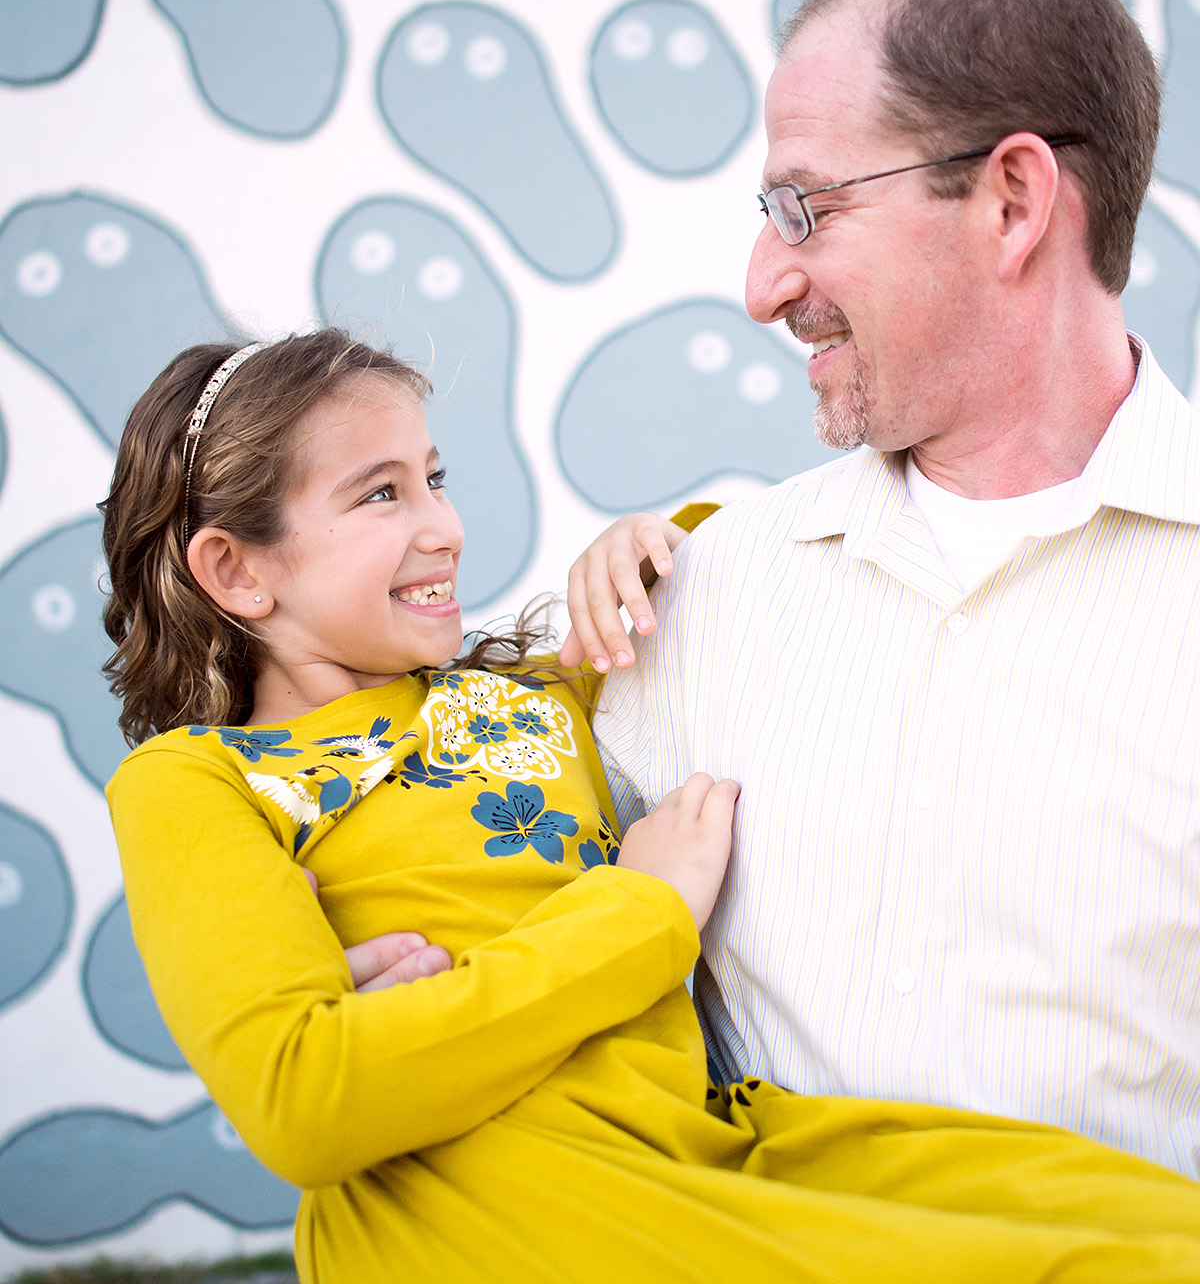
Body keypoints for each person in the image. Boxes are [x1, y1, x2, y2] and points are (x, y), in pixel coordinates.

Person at [102, 328, 1200, 1283]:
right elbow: (306, 1099)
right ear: (236, 571)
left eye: (436, 478)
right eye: (381, 493)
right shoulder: (196, 782)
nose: (444, 527)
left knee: (1121, 1217)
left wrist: (639, 543)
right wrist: (644, 908)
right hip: (497, 1205)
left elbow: (732, 575)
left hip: (701, 1139)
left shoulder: (527, 695)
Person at [568, 0, 1200, 1182]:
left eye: (805, 206)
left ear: (1012, 201)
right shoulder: (696, 590)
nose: (763, 284)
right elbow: (511, 904)